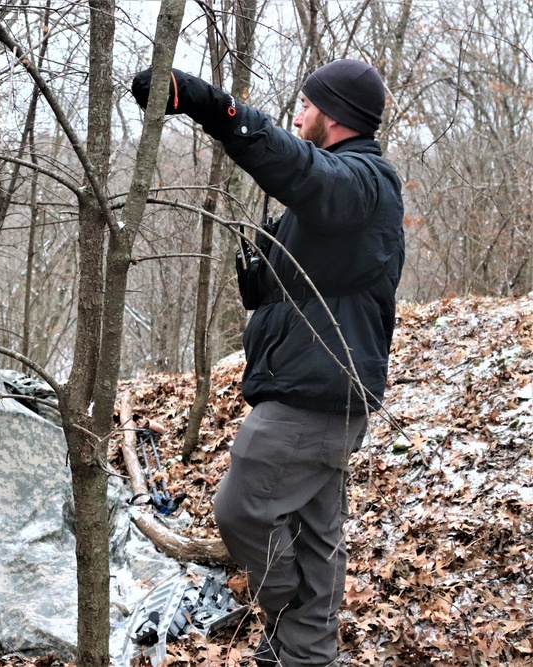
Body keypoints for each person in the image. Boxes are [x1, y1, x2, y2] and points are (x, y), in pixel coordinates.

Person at [132, 60, 405, 667]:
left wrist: (212, 107)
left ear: (334, 115)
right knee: (316, 537)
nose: (298, 113)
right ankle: (304, 655)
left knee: (241, 509)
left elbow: (300, 169)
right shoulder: (347, 193)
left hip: (315, 394)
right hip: (321, 389)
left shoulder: (363, 181)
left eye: (307, 104)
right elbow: (322, 272)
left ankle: (282, 614)